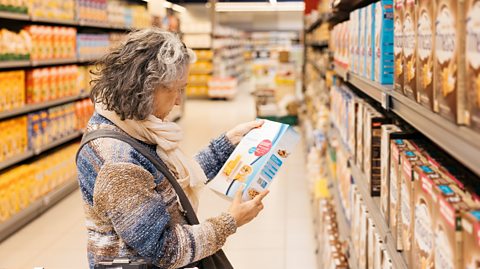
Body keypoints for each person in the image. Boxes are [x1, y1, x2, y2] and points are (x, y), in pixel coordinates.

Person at [76, 28, 269, 269]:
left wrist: (227, 143)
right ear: (146, 86)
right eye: (176, 89)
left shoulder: (131, 123)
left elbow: (168, 183)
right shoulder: (117, 161)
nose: (179, 100)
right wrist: (230, 221)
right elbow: (165, 249)